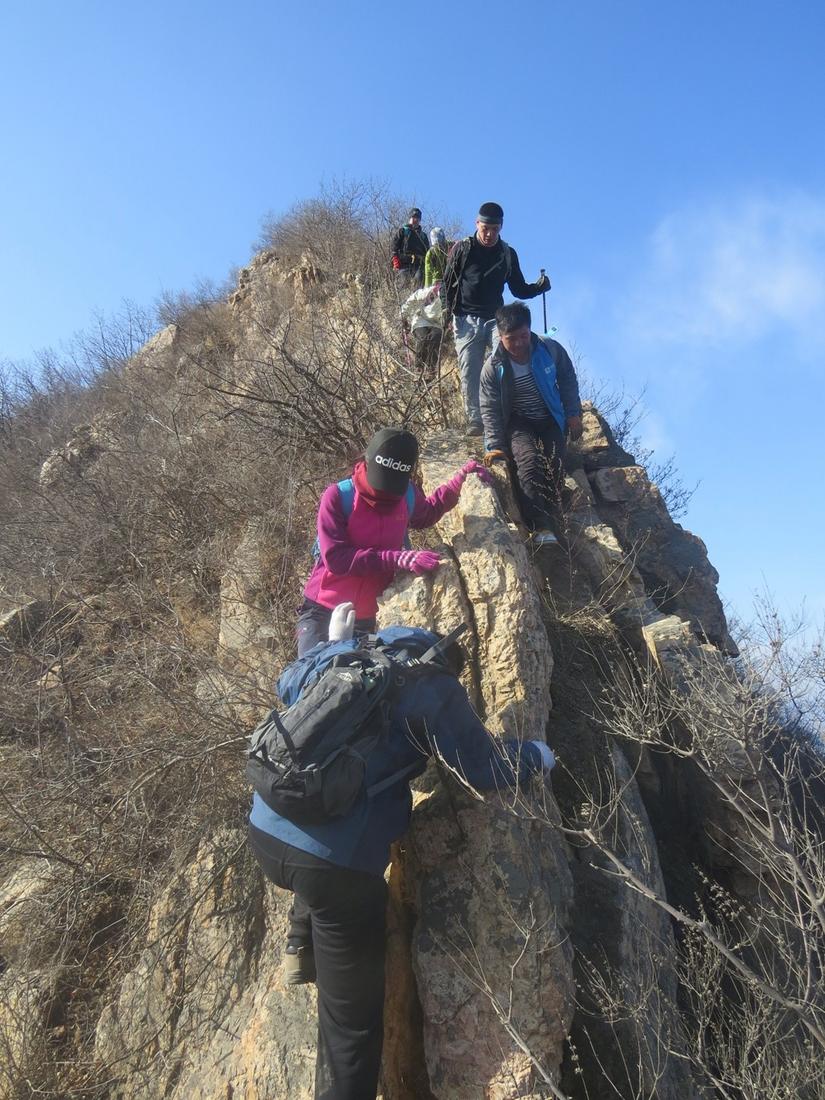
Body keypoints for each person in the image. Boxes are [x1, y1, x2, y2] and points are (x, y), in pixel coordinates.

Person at [248, 607, 557, 1100]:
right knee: (350, 1031)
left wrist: (331, 645)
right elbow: (480, 769)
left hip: (265, 825)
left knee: (321, 846)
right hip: (334, 870)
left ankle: (299, 938)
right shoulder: (436, 686)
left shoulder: (355, 652)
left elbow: (289, 688)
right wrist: (536, 757)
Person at [297, 427, 491, 655]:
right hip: (322, 613)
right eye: (381, 482)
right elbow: (336, 559)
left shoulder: (406, 494)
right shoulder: (338, 497)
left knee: (367, 680)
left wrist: (459, 482)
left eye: (393, 485)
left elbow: (426, 513)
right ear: (367, 461)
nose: (386, 494)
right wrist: (399, 559)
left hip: (369, 623)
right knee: (315, 675)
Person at [442, 201, 550, 435]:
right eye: (485, 229)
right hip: (465, 320)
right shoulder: (463, 249)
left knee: (502, 364)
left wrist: (538, 287)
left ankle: (505, 415)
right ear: (477, 224)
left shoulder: (507, 254)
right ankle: (476, 420)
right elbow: (447, 285)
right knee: (470, 369)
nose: (490, 234)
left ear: (501, 228)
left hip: (495, 320)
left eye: (495, 229)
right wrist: (447, 314)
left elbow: (519, 289)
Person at [480, 302, 583, 546]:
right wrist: (494, 445)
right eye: (510, 338)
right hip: (518, 421)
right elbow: (490, 408)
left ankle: (554, 509)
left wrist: (573, 413)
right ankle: (539, 526)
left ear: (530, 330)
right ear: (500, 336)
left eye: (523, 336)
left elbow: (567, 379)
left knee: (554, 464)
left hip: (550, 416)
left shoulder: (549, 348)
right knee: (528, 462)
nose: (518, 344)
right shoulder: (493, 367)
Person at [400, 281, 444, 380]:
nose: (434, 295)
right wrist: (403, 317)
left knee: (435, 338)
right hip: (420, 320)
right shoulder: (424, 293)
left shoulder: (446, 297)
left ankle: (431, 368)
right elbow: (410, 301)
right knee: (423, 337)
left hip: (437, 323)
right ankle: (419, 367)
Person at [391, 208, 429, 287]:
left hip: (418, 265)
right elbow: (394, 248)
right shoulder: (402, 231)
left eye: (418, 218)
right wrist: (395, 261)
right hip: (403, 264)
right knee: (404, 283)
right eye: (413, 217)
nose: (415, 220)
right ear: (410, 218)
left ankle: (416, 299)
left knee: (419, 282)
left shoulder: (423, 236)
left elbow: (427, 252)